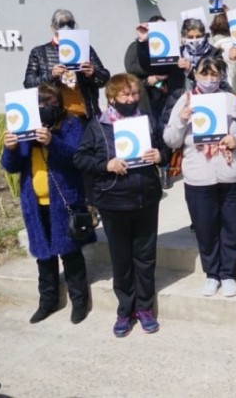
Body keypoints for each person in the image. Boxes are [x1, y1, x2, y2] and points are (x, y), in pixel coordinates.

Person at [74, 73, 169, 337]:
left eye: (135, 94)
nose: (131, 99)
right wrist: (106, 165)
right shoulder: (98, 125)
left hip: (146, 198)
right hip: (113, 201)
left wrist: (160, 155)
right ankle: (124, 310)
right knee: (122, 259)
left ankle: (145, 308)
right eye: (125, 95)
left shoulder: (147, 121)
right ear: (112, 98)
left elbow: (165, 149)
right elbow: (80, 158)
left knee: (145, 256)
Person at [2, 83, 93, 324]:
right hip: (35, 203)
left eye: (52, 103)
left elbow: (77, 158)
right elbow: (10, 166)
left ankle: (79, 302)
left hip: (65, 201)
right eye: (40, 104)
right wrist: (10, 148)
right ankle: (48, 301)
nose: (46, 108)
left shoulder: (71, 125)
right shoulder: (22, 129)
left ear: (60, 104)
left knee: (71, 254)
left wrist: (53, 141)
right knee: (44, 255)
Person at [162, 57, 236, 297]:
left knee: (232, 226)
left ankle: (229, 273)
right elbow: (170, 140)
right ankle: (212, 274)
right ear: (196, 75)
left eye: (215, 75)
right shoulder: (185, 100)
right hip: (199, 176)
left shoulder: (231, 100)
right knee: (205, 228)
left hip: (232, 173)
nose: (210, 79)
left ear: (221, 76)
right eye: (205, 74)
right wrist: (181, 120)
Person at [136, 18, 225, 188]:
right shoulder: (175, 52)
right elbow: (150, 66)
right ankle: (166, 169)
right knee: (168, 133)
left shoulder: (214, 53)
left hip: (207, 102)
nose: (194, 39)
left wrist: (191, 69)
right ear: (183, 36)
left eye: (198, 36)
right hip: (177, 100)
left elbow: (218, 77)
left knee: (204, 137)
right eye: (190, 36)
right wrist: (143, 41)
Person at [24, 9, 110, 120]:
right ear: (52, 27)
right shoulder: (39, 52)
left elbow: (104, 78)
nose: (66, 28)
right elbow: (29, 84)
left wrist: (92, 74)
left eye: (70, 23)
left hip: (85, 115)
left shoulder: (85, 48)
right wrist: (51, 75)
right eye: (61, 24)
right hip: (56, 117)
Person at [124, 15, 167, 118]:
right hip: (144, 91)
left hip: (163, 90)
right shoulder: (135, 46)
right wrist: (151, 73)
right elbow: (130, 66)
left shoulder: (167, 47)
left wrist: (158, 77)